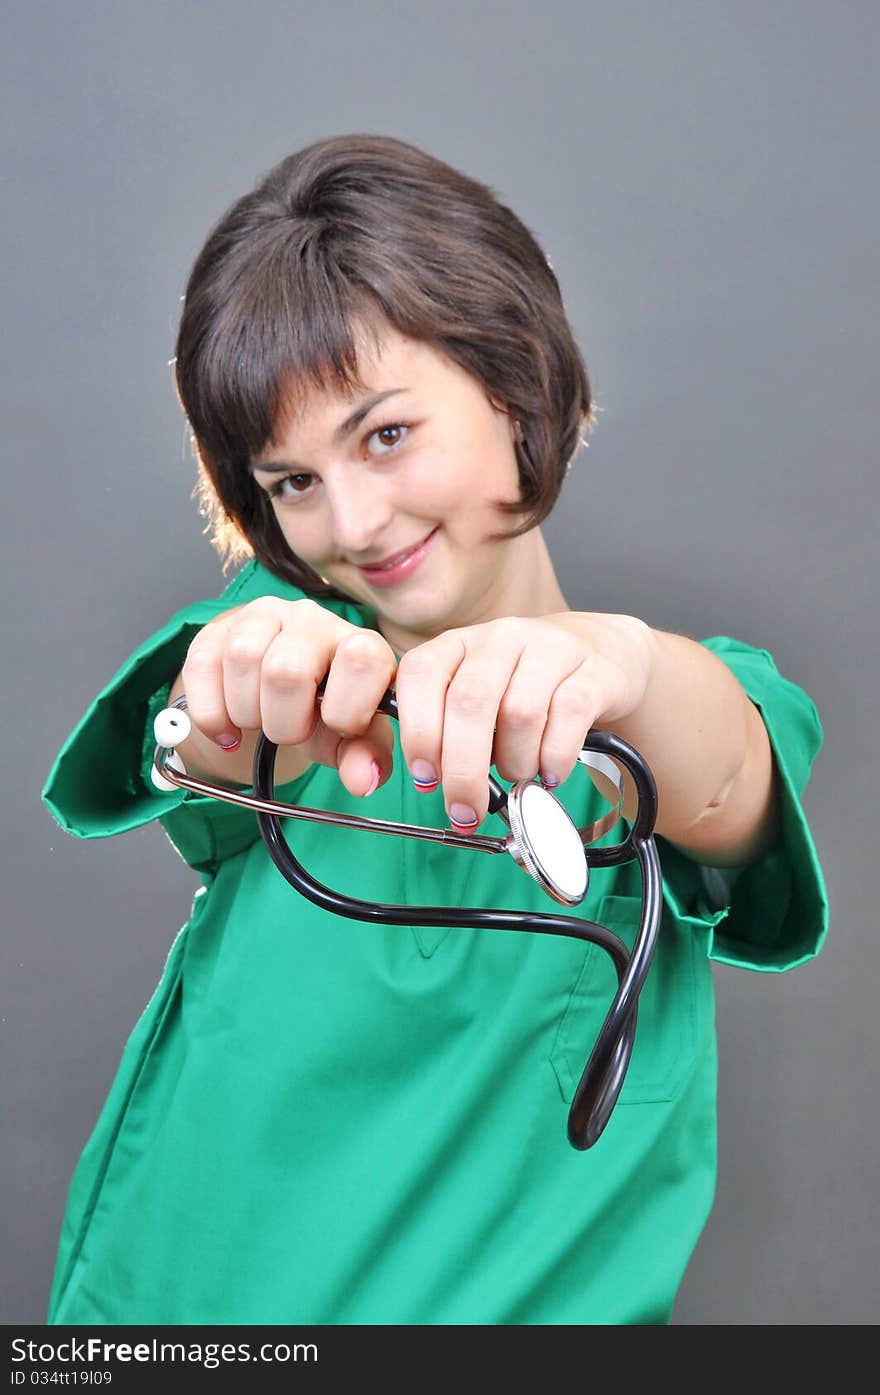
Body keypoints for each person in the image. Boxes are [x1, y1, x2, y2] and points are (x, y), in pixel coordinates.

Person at [42, 133, 828, 1326]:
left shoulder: (654, 719)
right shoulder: (282, 641)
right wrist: (241, 698)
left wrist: (610, 665)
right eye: (291, 481)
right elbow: (200, 723)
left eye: (385, 434)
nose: (350, 520)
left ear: (511, 385)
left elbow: (726, 770)